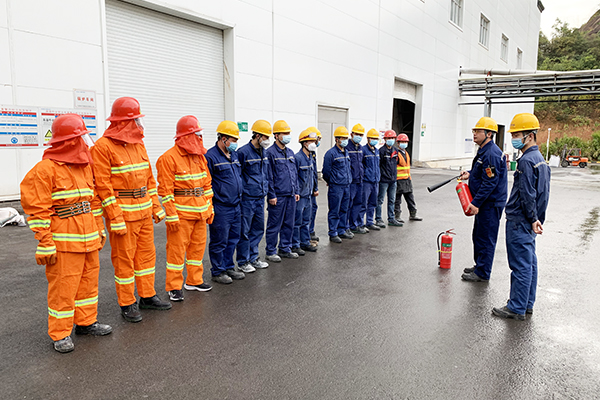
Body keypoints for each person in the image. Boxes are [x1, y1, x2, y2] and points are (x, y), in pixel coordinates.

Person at [20, 114, 112, 353]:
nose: (85, 143)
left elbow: (93, 201)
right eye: (81, 137)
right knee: (63, 288)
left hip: (89, 239)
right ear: (70, 141)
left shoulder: (85, 167)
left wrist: (99, 228)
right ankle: (60, 333)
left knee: (88, 284)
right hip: (64, 243)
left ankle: (86, 322)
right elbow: (37, 210)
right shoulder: (44, 170)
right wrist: (45, 242)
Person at [91, 97, 171, 323]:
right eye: (136, 119)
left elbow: (149, 179)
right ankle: (127, 302)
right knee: (124, 260)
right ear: (124, 122)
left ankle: (147, 296)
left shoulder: (138, 143)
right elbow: (103, 186)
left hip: (143, 213)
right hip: (123, 215)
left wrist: (155, 206)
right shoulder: (103, 147)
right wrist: (114, 216)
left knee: (146, 257)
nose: (139, 124)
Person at [493, 113, 550, 321]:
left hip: (520, 220)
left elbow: (528, 194)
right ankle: (526, 304)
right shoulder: (540, 160)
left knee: (520, 266)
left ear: (530, 136)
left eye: (517, 135)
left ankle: (516, 307)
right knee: (530, 264)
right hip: (530, 220)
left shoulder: (526, 161)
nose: (513, 139)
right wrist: (537, 218)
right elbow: (544, 193)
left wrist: (532, 218)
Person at [156, 115, 214, 302]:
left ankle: (194, 280)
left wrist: (210, 208)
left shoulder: (199, 157)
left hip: (200, 212)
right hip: (181, 215)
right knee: (176, 251)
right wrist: (171, 215)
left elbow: (207, 185)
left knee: (197, 249)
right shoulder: (168, 158)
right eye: (197, 134)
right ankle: (174, 286)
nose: (200, 138)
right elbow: (166, 191)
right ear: (186, 136)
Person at [460, 117, 508, 282]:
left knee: (486, 238)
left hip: (490, 204)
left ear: (489, 134)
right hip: (485, 203)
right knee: (479, 235)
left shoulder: (491, 154)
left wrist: (476, 202)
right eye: (474, 131)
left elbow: (490, 182)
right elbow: (482, 173)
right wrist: (470, 173)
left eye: (478, 131)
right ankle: (480, 265)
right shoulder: (484, 151)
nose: (474, 134)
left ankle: (482, 273)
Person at [205, 120, 246, 284]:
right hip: (221, 206)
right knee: (219, 240)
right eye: (233, 140)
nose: (235, 144)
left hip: (236, 205)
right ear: (223, 139)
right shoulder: (210, 156)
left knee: (233, 239)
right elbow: (207, 182)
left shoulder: (233, 155)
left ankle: (228, 266)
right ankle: (218, 271)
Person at [236, 120, 272, 273]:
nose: (267, 140)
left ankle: (254, 258)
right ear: (257, 136)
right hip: (247, 198)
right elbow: (238, 175)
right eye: (265, 137)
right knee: (244, 231)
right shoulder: (243, 152)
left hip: (259, 197)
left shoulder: (264, 152)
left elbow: (265, 174)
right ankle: (243, 261)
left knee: (258, 229)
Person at [264, 120, 300, 262]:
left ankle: (285, 248)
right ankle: (271, 251)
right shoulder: (270, 153)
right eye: (284, 133)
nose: (287, 136)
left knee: (289, 224)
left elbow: (294, 173)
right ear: (276, 135)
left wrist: (296, 191)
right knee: (274, 224)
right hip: (278, 196)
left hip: (290, 195)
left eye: (288, 133)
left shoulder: (290, 152)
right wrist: (271, 195)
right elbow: (269, 176)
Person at [322, 126, 352, 243]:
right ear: (336, 139)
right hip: (336, 187)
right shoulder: (331, 154)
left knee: (344, 209)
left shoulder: (346, 152)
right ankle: (333, 232)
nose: (345, 140)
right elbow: (326, 172)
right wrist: (332, 181)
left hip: (346, 185)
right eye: (342, 138)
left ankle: (341, 230)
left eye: (346, 138)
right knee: (334, 210)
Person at [292, 129, 319, 254]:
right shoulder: (298, 158)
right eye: (311, 141)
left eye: (314, 141)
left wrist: (315, 188)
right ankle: (295, 244)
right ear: (304, 143)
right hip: (300, 195)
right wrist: (296, 192)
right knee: (297, 221)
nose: (314, 143)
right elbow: (294, 177)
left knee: (306, 221)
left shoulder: (311, 157)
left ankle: (305, 242)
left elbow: (313, 175)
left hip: (308, 195)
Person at [394, 133, 423, 223]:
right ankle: (397, 216)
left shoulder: (406, 153)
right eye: (402, 142)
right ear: (398, 143)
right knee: (397, 200)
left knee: (410, 198)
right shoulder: (396, 154)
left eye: (405, 142)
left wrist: (409, 178)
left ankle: (413, 214)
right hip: (398, 180)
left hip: (407, 179)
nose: (404, 143)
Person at [376, 130, 402, 227]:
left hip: (393, 180)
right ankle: (378, 219)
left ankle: (391, 218)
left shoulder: (395, 151)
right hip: (383, 180)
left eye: (392, 138)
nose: (390, 140)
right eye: (389, 138)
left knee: (392, 200)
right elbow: (379, 165)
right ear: (385, 139)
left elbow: (396, 163)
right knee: (380, 200)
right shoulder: (381, 151)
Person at [347, 124, 367, 234]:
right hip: (351, 182)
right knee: (348, 204)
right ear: (352, 134)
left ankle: (354, 225)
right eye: (357, 134)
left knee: (358, 203)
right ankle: (346, 227)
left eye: (361, 135)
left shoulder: (360, 148)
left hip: (359, 180)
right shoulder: (347, 147)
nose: (359, 136)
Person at [360, 128, 381, 231]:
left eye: (376, 139)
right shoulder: (363, 150)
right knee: (363, 203)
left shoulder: (376, 151)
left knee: (373, 203)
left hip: (375, 181)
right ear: (368, 139)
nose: (374, 140)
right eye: (373, 138)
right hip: (366, 181)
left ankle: (370, 222)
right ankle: (360, 223)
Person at [309, 127, 322, 243]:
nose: (318, 142)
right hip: (306, 189)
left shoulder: (312, 154)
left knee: (313, 209)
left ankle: (310, 231)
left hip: (312, 188)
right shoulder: (304, 155)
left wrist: (315, 187)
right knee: (306, 212)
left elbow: (314, 173)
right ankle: (306, 233)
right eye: (317, 140)